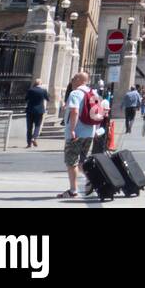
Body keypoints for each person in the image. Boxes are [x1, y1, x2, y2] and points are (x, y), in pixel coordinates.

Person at [57, 70, 101, 199]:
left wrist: (72, 128)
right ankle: (92, 180)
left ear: (78, 80)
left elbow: (75, 111)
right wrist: (96, 129)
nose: (72, 81)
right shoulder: (93, 93)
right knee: (82, 160)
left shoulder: (75, 93)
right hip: (90, 132)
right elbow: (98, 112)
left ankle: (73, 190)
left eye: (73, 79)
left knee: (71, 162)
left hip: (77, 133)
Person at [24, 78, 50, 148]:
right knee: (37, 125)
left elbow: (26, 99)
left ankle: (29, 143)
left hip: (30, 110)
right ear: (41, 84)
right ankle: (34, 138)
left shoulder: (30, 90)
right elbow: (48, 99)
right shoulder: (43, 91)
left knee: (29, 127)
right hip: (39, 111)